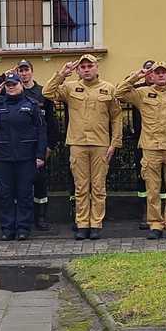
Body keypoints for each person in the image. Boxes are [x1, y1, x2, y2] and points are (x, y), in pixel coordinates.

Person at [43, 55, 122, 240]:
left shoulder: (108, 89)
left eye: (90, 66)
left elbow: (116, 117)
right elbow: (47, 92)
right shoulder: (70, 88)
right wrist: (62, 74)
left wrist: (114, 143)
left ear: (96, 67)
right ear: (78, 70)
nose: (86, 69)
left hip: (100, 144)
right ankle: (82, 224)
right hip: (78, 143)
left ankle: (96, 224)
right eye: (83, 67)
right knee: (81, 187)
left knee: (98, 186)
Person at [115, 59, 166, 239]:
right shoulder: (143, 94)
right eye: (156, 72)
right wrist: (137, 75)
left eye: (163, 72)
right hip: (150, 148)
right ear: (151, 75)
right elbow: (119, 93)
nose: (160, 75)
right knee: (153, 190)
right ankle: (156, 225)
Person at [0, 71, 46, 240]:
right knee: (5, 195)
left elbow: (41, 131)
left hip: (26, 157)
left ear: (21, 85)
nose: (11, 87)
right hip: (2, 157)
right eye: (8, 85)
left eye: (14, 84)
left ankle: (23, 228)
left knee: (24, 194)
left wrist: (40, 155)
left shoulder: (31, 105)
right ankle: (7, 228)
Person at [16, 60, 60, 231]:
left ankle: (41, 217)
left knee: (40, 183)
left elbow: (52, 123)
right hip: (20, 148)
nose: (23, 74)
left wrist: (49, 147)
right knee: (21, 185)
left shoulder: (43, 93)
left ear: (31, 72)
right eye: (20, 70)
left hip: (38, 148)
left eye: (26, 70)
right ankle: (23, 218)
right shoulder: (12, 91)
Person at [131, 60, 157, 230]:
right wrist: (136, 76)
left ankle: (159, 213)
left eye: (154, 70)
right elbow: (120, 91)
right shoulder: (138, 90)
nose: (151, 74)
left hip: (162, 142)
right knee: (143, 178)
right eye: (147, 71)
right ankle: (145, 212)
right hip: (141, 141)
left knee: (161, 181)